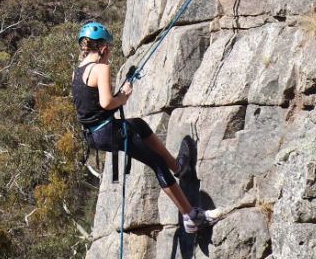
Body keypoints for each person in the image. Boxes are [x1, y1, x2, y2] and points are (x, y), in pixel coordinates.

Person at [71, 21, 219, 234]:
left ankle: (178, 167)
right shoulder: (100, 68)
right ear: (102, 48)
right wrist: (123, 98)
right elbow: (106, 103)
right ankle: (191, 217)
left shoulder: (78, 72)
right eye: (109, 49)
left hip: (94, 135)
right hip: (109, 132)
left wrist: (121, 93)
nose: (109, 53)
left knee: (138, 124)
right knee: (157, 163)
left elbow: (93, 107)